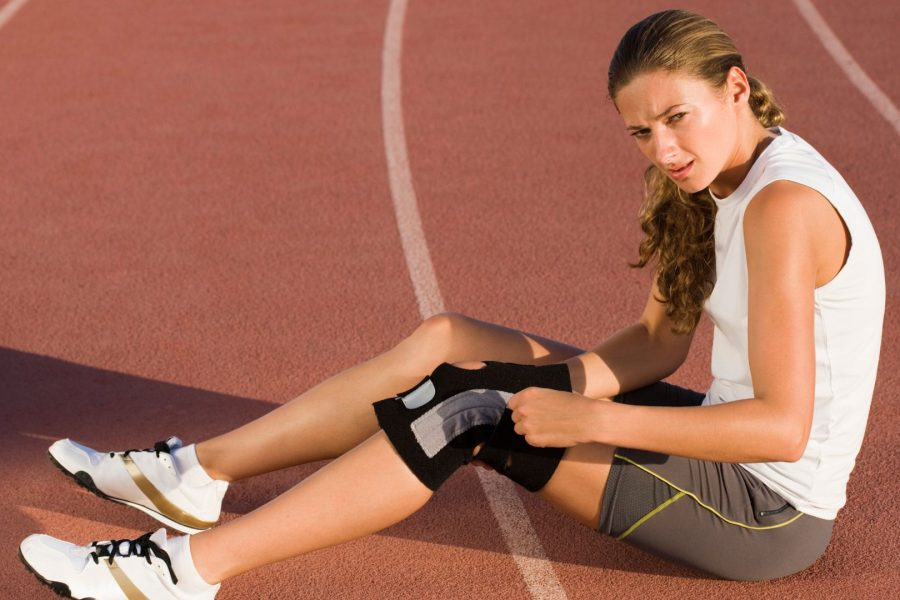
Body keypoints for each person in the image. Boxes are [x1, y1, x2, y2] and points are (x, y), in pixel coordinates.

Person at [18, 8, 885, 597]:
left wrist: (588, 420)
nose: (662, 148)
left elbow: (782, 428)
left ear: (736, 88)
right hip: (724, 446)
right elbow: (660, 347)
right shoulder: (720, 179)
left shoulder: (782, 207)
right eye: (641, 132)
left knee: (468, 412)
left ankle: (184, 572)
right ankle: (194, 477)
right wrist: (540, 384)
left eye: (678, 118)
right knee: (449, 344)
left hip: (768, 512)